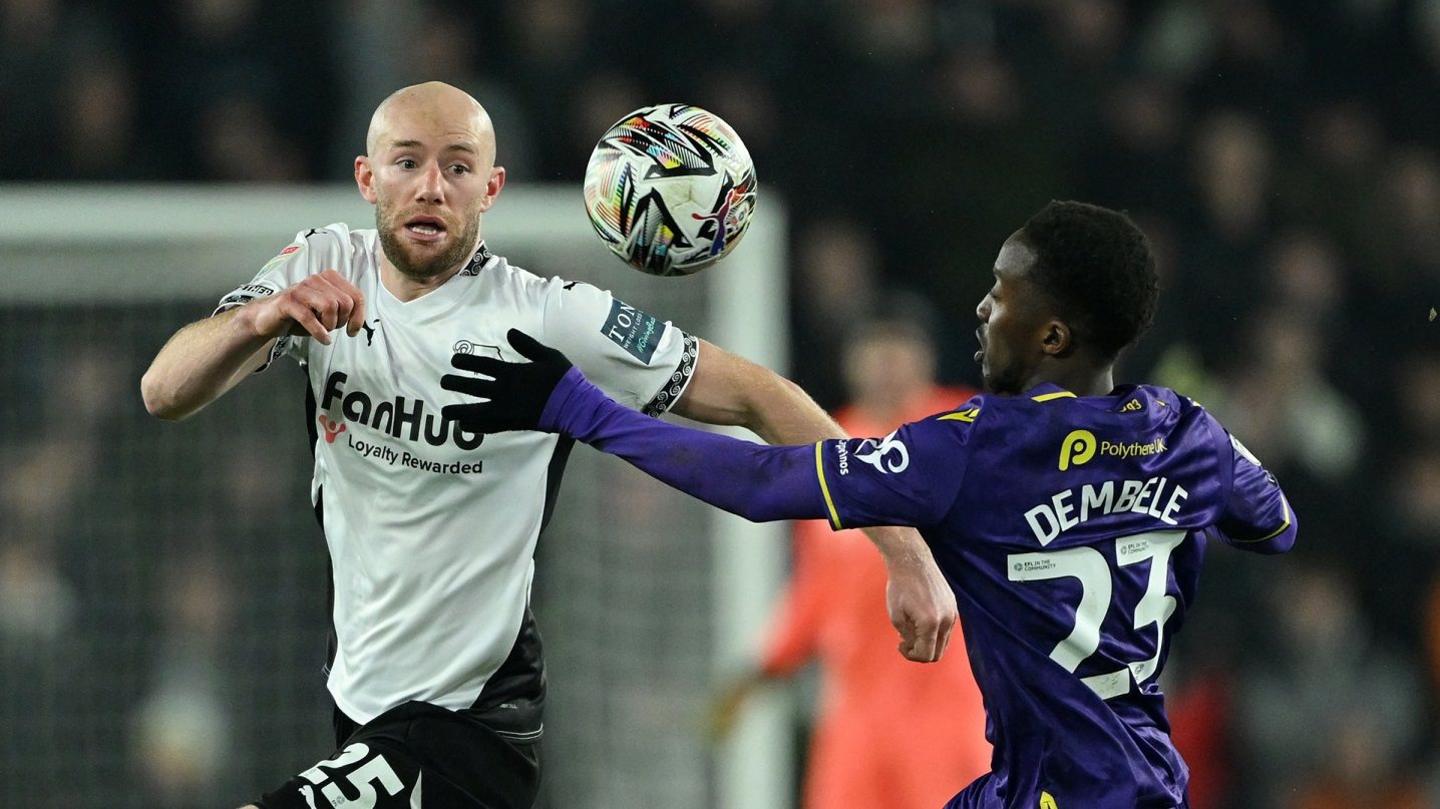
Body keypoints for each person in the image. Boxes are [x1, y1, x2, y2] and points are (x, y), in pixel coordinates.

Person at [139, 81, 957, 809]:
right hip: (361, 702)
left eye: (458, 167)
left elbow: (759, 395)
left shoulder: (546, 317)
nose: (431, 186)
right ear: (367, 178)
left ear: (491, 189)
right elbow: (163, 391)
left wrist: (906, 552)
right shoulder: (319, 265)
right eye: (407, 162)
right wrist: (256, 319)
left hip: (470, 725)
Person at [442, 200, 1300, 808]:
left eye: (1003, 293)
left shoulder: (967, 446)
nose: (983, 304)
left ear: (1052, 336)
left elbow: (756, 482)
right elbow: (1274, 525)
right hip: (1129, 773)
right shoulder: (1186, 432)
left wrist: (576, 406)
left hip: (1051, 780)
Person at [710, 318, 990, 809]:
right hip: (855, 719)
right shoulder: (829, 452)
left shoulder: (968, 432)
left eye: (898, 350)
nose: (885, 367)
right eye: (873, 351)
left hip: (948, 708)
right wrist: (762, 668)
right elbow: (816, 588)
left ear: (925, 358)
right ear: (851, 362)